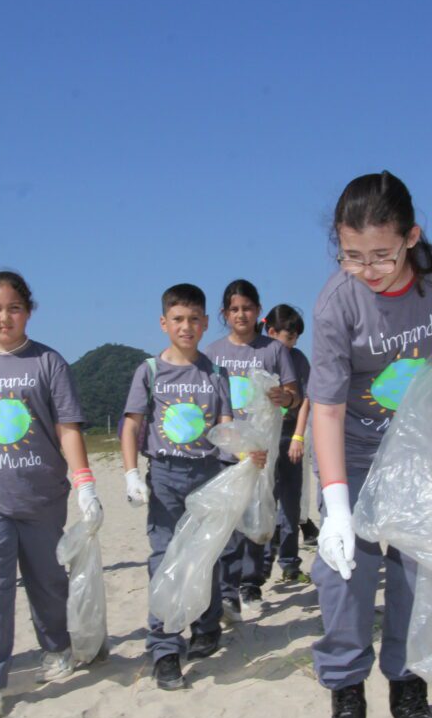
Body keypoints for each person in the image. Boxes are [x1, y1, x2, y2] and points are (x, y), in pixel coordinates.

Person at [310, 170, 432, 718]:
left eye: (381, 254)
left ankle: (409, 691)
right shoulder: (337, 302)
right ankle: (347, 699)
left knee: (416, 574)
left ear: (412, 236)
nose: (368, 269)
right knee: (344, 578)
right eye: (351, 256)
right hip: (352, 451)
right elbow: (325, 412)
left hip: (421, 450)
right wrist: (335, 511)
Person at [0, 270, 104, 718]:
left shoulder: (48, 363)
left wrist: (84, 481)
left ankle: (56, 647)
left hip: (42, 495)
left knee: (48, 581)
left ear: (28, 311)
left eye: (14, 308)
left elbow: (67, 427)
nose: (5, 317)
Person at [121, 283, 236, 689]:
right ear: (163, 322)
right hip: (165, 477)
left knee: (206, 555)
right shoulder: (150, 371)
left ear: (204, 323)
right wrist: (131, 473)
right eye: (178, 319)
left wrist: (244, 454)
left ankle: (207, 625)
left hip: (208, 474)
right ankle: (165, 647)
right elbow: (133, 423)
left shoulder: (217, 374)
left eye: (193, 319)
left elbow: (226, 428)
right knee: (164, 559)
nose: (186, 327)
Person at [202, 280, 300, 618]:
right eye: (234, 309)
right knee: (229, 520)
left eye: (247, 308)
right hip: (227, 453)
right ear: (224, 314)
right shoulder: (213, 353)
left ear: (258, 311)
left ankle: (251, 583)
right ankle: (227, 590)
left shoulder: (273, 350)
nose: (240, 314)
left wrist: (284, 398)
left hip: (262, 452)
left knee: (257, 515)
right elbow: (208, 402)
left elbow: (294, 394)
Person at [261, 304, 312, 583]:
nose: (293, 343)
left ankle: (290, 562)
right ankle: (263, 562)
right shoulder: (259, 354)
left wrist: (298, 436)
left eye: (295, 338)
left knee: (291, 500)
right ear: (272, 332)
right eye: (289, 337)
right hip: (263, 436)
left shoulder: (299, 359)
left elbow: (306, 399)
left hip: (290, 432)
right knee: (265, 500)